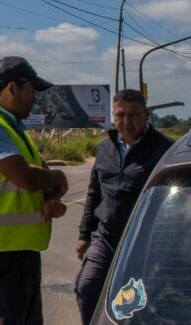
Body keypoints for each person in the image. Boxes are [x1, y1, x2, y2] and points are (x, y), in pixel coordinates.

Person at [0, 56, 69, 325]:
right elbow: (26, 176)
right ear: (12, 88)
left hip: (21, 254)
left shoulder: (12, 128)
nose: (35, 99)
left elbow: (41, 180)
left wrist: (52, 197)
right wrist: (58, 175)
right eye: (31, 90)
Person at [73, 89, 173, 324]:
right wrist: (84, 234)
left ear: (146, 115)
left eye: (133, 115)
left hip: (146, 240)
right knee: (86, 287)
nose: (126, 122)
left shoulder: (164, 150)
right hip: (106, 236)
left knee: (140, 299)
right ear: (113, 115)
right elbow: (93, 193)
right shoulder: (104, 149)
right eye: (120, 115)